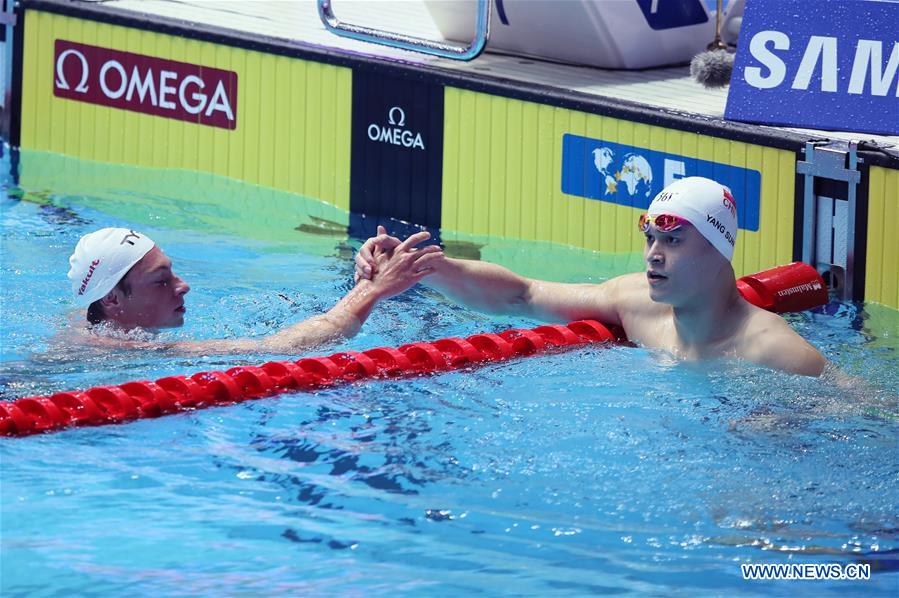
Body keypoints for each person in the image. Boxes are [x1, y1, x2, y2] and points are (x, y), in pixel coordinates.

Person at [356, 177, 828, 377]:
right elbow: (524, 294)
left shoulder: (773, 349)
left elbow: (855, 409)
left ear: (721, 253)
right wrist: (429, 268)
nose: (654, 256)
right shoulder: (637, 302)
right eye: (650, 240)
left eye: (674, 242)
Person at [67, 227, 442, 354]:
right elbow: (274, 350)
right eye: (161, 281)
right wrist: (371, 290)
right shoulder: (122, 352)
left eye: (173, 272)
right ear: (113, 300)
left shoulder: (86, 323)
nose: (184, 286)